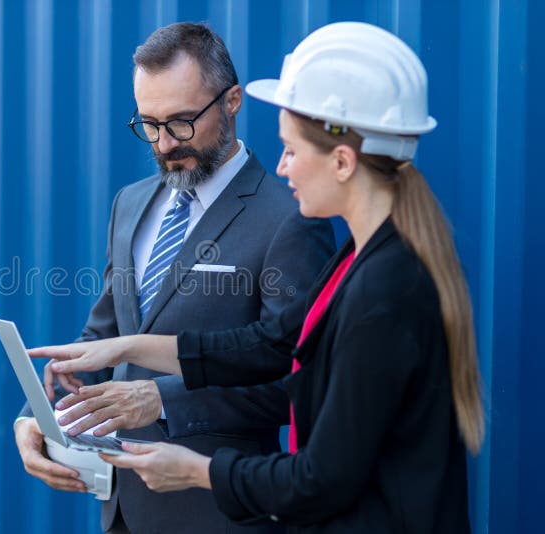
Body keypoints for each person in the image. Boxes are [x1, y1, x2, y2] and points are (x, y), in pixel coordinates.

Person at [34, 22, 485, 533]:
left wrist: (200, 469)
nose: (284, 167)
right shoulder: (359, 264)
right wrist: (113, 361)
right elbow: (273, 348)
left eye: (291, 150)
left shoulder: (379, 284)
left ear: (341, 160)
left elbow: (318, 465)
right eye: (149, 124)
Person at [14, 22, 335, 534]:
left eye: (183, 122)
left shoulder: (290, 218)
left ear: (232, 101)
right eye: (149, 124)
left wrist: (163, 398)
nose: (164, 144)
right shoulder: (131, 203)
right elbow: (103, 341)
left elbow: (298, 381)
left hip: (220, 513)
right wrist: (37, 419)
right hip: (121, 511)